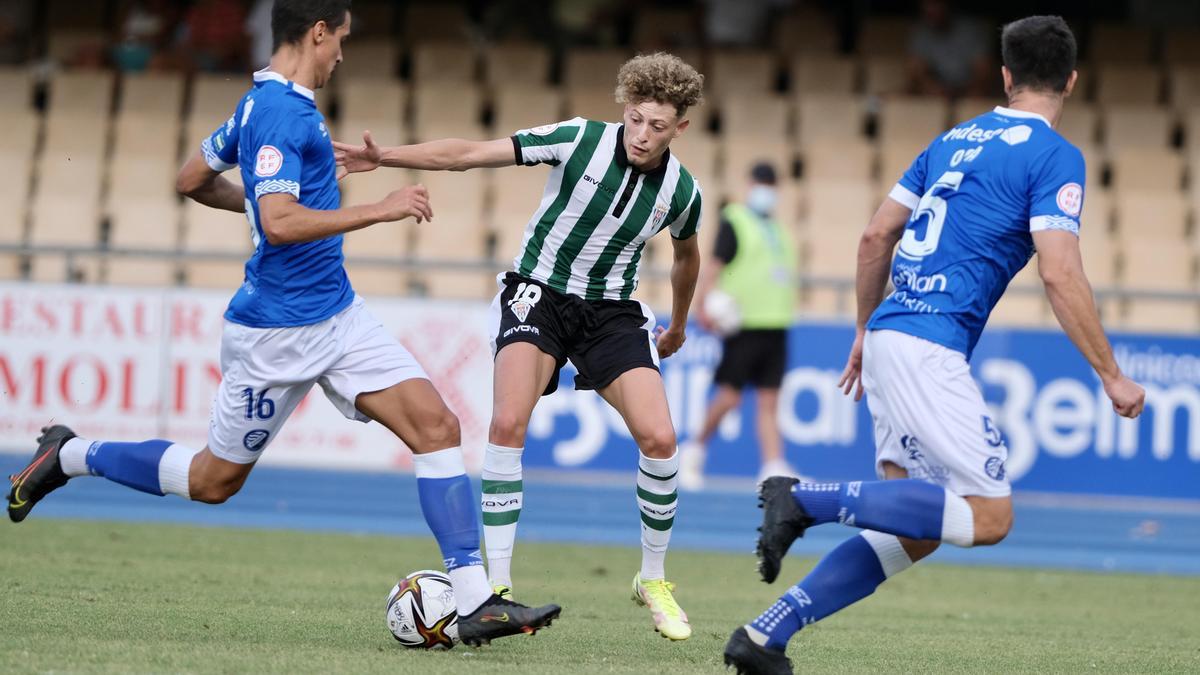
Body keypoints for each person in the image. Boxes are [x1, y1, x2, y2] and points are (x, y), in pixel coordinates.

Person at [5, 0, 559, 647]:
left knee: (437, 425)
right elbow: (281, 222)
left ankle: (475, 600)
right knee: (212, 481)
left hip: (338, 314)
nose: (342, 56)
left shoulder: (261, 102)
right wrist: (374, 211)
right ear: (316, 32)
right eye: (341, 41)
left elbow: (192, 179)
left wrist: (266, 203)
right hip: (276, 335)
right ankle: (69, 454)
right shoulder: (278, 112)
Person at [724, 16, 1146, 674]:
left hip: (893, 330)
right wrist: (1111, 373)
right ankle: (804, 497)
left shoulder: (950, 140)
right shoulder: (1055, 155)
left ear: (1004, 77)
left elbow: (874, 237)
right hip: (931, 345)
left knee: (915, 530)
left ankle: (765, 633)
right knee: (991, 517)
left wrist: (865, 330)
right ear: (1071, 80)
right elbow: (1060, 271)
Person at [335, 52, 704, 640]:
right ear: (624, 109)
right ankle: (497, 592)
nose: (641, 135)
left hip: (612, 313)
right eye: (635, 119)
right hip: (539, 293)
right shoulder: (578, 138)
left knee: (660, 440)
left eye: (657, 127)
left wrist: (679, 324)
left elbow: (687, 257)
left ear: (679, 128)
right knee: (507, 422)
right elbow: (467, 155)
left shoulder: (682, 190)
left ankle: (652, 579)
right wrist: (385, 157)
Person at [680, 161, 800, 491]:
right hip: (744, 323)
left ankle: (773, 465)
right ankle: (695, 449)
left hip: (775, 323)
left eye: (772, 184)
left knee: (769, 400)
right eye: (762, 182)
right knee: (730, 396)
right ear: (750, 184)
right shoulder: (736, 219)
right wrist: (703, 303)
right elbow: (715, 265)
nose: (767, 190)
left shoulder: (778, 229)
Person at [906, 0, 993, 98]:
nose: (931, 9)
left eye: (935, 4)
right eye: (927, 5)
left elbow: (982, 71)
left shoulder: (971, 29)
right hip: (936, 92)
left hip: (968, 90)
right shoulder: (922, 31)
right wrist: (932, 88)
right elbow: (916, 71)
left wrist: (969, 92)